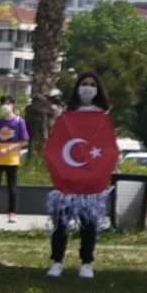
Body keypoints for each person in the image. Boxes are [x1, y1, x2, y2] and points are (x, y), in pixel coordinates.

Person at [47, 72, 112, 279]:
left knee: (89, 224)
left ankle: (86, 263)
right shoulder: (67, 114)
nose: (88, 88)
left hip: (90, 181)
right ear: (77, 87)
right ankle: (57, 261)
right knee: (61, 223)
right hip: (67, 178)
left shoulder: (102, 116)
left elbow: (108, 146)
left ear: (98, 89)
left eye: (92, 84)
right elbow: (56, 145)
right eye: (84, 84)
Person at [0, 96, 29, 222]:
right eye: (3, 103)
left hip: (11, 158)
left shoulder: (19, 121)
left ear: (13, 105)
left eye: (8, 103)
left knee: (12, 187)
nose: (5, 106)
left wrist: (9, 149)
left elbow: (24, 141)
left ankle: (12, 213)